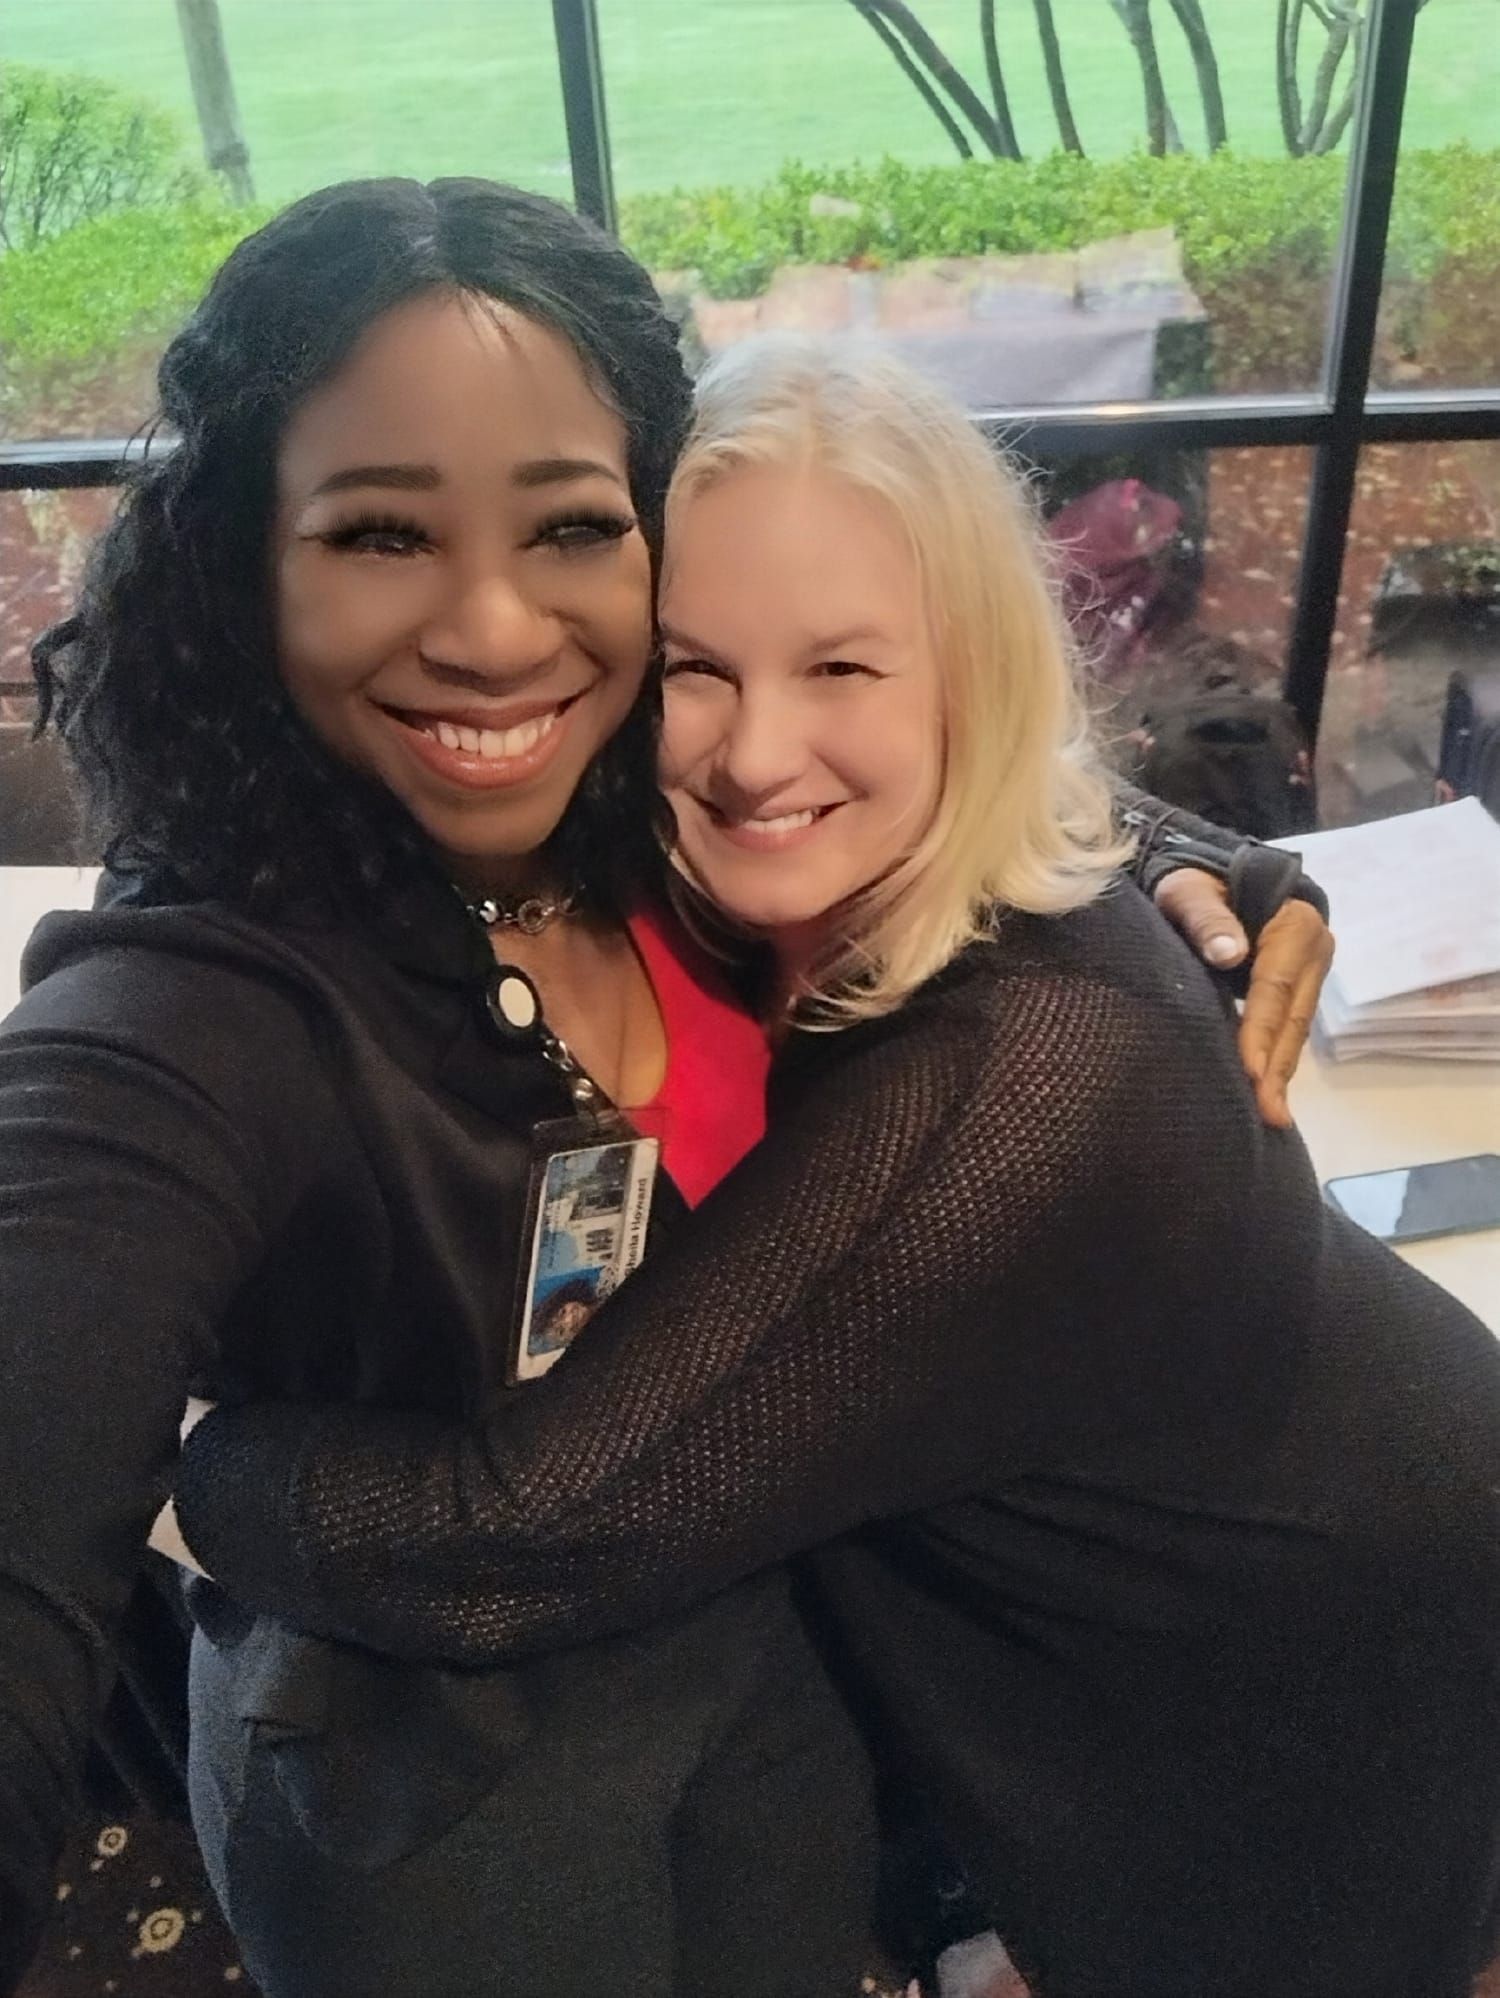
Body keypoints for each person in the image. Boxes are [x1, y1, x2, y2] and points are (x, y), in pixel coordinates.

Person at [0, 179, 1329, 1998]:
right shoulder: (214, 999)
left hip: (759, 1665)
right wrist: (208, 1477)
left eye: (567, 528)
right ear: (250, 556)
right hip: (438, 1785)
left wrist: (1206, 862)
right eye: (382, 534)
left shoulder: (656, 805)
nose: (491, 629)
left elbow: (900, 739)